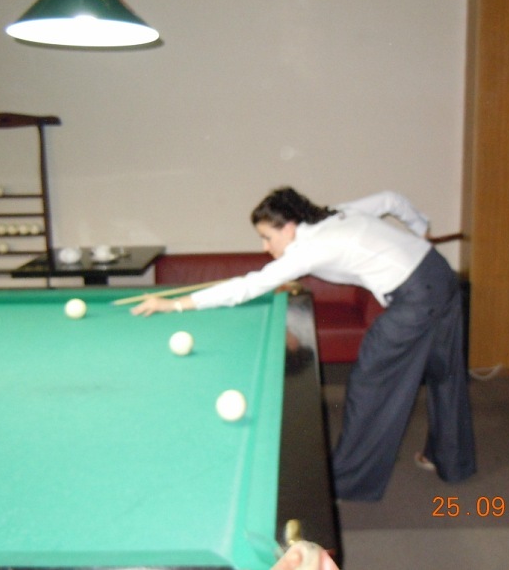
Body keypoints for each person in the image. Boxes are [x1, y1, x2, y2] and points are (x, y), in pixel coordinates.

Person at [132, 187, 476, 501]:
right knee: (444, 372)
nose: (265, 247)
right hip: (440, 273)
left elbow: (247, 286)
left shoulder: (310, 249)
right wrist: (420, 228)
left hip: (416, 297)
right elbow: (390, 199)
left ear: (289, 228)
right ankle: (451, 460)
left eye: (267, 237)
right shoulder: (334, 213)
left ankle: (347, 482)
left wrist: (176, 304)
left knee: (370, 382)